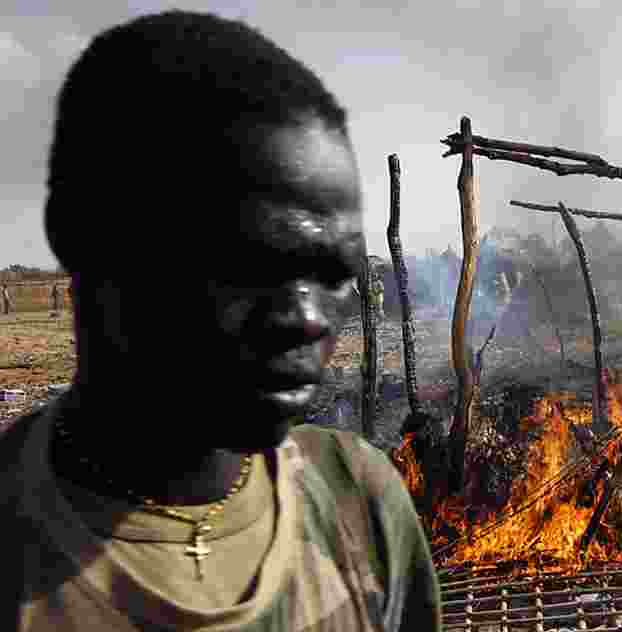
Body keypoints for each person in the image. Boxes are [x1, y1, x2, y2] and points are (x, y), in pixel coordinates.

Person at [0, 11, 441, 631]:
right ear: (81, 232)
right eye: (248, 262)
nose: (308, 320)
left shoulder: (357, 504)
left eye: (335, 274)